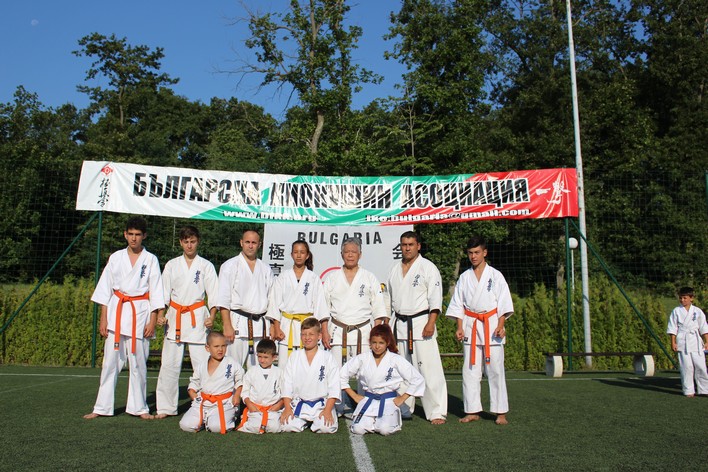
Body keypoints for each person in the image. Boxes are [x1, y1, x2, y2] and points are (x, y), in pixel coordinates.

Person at [83, 216, 165, 420]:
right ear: (125, 235)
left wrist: (153, 320)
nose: (134, 238)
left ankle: (140, 408)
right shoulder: (116, 257)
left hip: (140, 313)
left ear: (144, 236)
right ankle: (102, 407)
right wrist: (104, 319)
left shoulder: (150, 259)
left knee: (138, 364)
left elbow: (156, 291)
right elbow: (105, 290)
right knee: (110, 363)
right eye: (131, 234)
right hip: (117, 313)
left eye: (138, 234)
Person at [445, 236, 513, 425]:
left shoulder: (496, 275)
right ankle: (472, 410)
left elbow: (503, 303)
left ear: (485, 253)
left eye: (477, 252)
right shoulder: (464, 277)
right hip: (471, 324)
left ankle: (500, 412)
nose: (473, 256)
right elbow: (458, 304)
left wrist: (501, 325)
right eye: (470, 253)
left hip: (491, 324)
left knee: (495, 369)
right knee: (470, 369)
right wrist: (459, 327)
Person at [155, 226, 219, 419]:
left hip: (197, 317)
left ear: (198, 241)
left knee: (202, 365)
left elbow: (214, 294)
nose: (189, 245)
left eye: (192, 241)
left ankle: (205, 404)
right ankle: (166, 407)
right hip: (175, 316)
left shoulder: (206, 266)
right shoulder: (172, 265)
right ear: (180, 243)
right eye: (186, 242)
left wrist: (212, 316)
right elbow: (163, 293)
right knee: (169, 365)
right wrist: (160, 314)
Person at [386, 231, 448, 425]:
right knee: (402, 371)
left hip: (421, 325)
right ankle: (404, 408)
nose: (407, 248)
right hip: (400, 325)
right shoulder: (394, 270)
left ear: (418, 246)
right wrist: (387, 324)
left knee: (429, 370)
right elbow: (389, 300)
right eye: (404, 245)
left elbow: (435, 298)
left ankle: (436, 411)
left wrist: (431, 322)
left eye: (411, 244)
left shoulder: (428, 267)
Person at [340, 324, 425, 436]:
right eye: (374, 342)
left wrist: (402, 398)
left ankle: (386, 420)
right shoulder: (362, 358)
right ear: (370, 342)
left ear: (387, 343)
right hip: (368, 399)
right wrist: (354, 396)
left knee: (384, 430)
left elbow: (417, 379)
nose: (377, 346)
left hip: (389, 401)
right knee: (358, 429)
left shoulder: (395, 359)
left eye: (381, 343)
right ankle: (371, 421)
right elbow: (341, 376)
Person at [322, 237, 388, 366]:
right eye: (347, 252)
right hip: (338, 332)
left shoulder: (369, 277)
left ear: (360, 254)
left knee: (364, 372)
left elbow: (378, 307)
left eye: (353, 252)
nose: (350, 255)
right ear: (342, 254)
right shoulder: (332, 278)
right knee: (337, 371)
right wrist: (324, 331)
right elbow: (323, 308)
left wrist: (375, 334)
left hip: (363, 333)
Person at [215, 229, 274, 369]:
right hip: (237, 324)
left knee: (258, 371)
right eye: (247, 242)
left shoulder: (265, 268)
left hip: (260, 325)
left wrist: (272, 325)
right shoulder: (230, 266)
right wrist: (227, 325)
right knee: (233, 367)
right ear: (241, 243)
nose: (250, 246)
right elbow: (223, 298)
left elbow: (272, 299)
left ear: (259, 244)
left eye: (254, 242)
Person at [267, 240, 329, 365]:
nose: (299, 255)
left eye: (302, 252)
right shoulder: (283, 277)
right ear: (291, 255)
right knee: (285, 366)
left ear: (307, 255)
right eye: (295, 252)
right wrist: (277, 327)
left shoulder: (313, 278)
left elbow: (320, 306)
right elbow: (274, 303)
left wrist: (323, 331)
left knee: (307, 365)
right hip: (287, 326)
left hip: (307, 327)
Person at [280, 317, 340, 433]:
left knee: (326, 427)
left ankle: (318, 420)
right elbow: (287, 384)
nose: (307, 338)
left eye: (311, 334)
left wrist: (328, 410)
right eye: (304, 334)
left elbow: (334, 386)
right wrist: (287, 408)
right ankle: (304, 421)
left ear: (319, 336)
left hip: (322, 405)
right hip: (300, 403)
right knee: (287, 426)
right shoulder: (294, 356)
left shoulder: (327, 357)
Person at [179, 331, 243, 434]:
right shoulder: (201, 365)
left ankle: (227, 417)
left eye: (223, 346)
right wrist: (192, 391)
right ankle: (205, 419)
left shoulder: (232, 363)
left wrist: (237, 395)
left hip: (224, 403)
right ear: (207, 348)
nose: (220, 349)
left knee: (217, 427)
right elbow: (194, 382)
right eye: (216, 346)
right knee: (186, 425)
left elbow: (240, 381)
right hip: (203, 402)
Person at [667, 286, 708, 397]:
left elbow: (703, 327)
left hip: (696, 341)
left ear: (691, 298)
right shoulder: (676, 311)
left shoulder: (697, 311)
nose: (682, 300)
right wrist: (673, 342)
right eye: (681, 298)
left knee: (701, 366)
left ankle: (704, 389)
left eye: (685, 298)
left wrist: (706, 341)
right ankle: (688, 390)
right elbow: (673, 328)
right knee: (687, 367)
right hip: (682, 340)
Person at [237, 338, 283, 433]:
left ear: (274, 357)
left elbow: (284, 392)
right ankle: (246, 421)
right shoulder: (252, 371)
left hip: (272, 409)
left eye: (266, 357)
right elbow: (245, 392)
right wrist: (249, 404)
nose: (262, 360)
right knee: (255, 426)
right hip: (255, 408)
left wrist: (279, 405)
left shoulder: (279, 372)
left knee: (275, 428)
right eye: (260, 356)